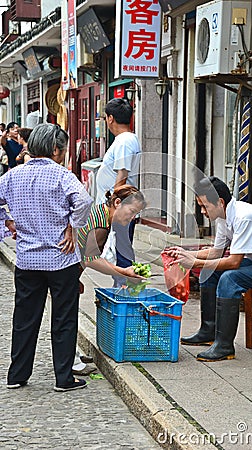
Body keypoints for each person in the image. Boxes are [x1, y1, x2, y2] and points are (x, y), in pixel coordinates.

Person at [0, 123, 93, 391]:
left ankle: (17, 375)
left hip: (27, 259)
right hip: (61, 258)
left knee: (25, 318)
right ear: (55, 149)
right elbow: (84, 201)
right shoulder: (62, 176)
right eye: (62, 149)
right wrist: (72, 226)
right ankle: (64, 378)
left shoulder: (13, 176)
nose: (63, 154)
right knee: (64, 318)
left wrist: (8, 222)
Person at [167, 176, 252, 362]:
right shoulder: (223, 216)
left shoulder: (244, 216)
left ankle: (225, 346)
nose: (202, 211)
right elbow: (217, 252)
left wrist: (194, 263)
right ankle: (208, 332)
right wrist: (185, 253)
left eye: (204, 206)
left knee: (230, 279)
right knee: (210, 273)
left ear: (220, 202)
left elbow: (233, 262)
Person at [95, 98, 141, 286]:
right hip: (117, 208)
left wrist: (114, 206)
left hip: (120, 209)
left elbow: (122, 175)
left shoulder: (124, 141)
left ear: (111, 118)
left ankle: (124, 295)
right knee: (117, 252)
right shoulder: (126, 140)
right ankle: (121, 290)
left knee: (121, 255)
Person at [78, 184, 146, 280]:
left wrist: (75, 280)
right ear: (117, 203)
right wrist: (124, 272)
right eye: (132, 211)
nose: (133, 217)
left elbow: (84, 255)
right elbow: (91, 260)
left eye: (136, 213)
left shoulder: (101, 210)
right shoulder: (101, 225)